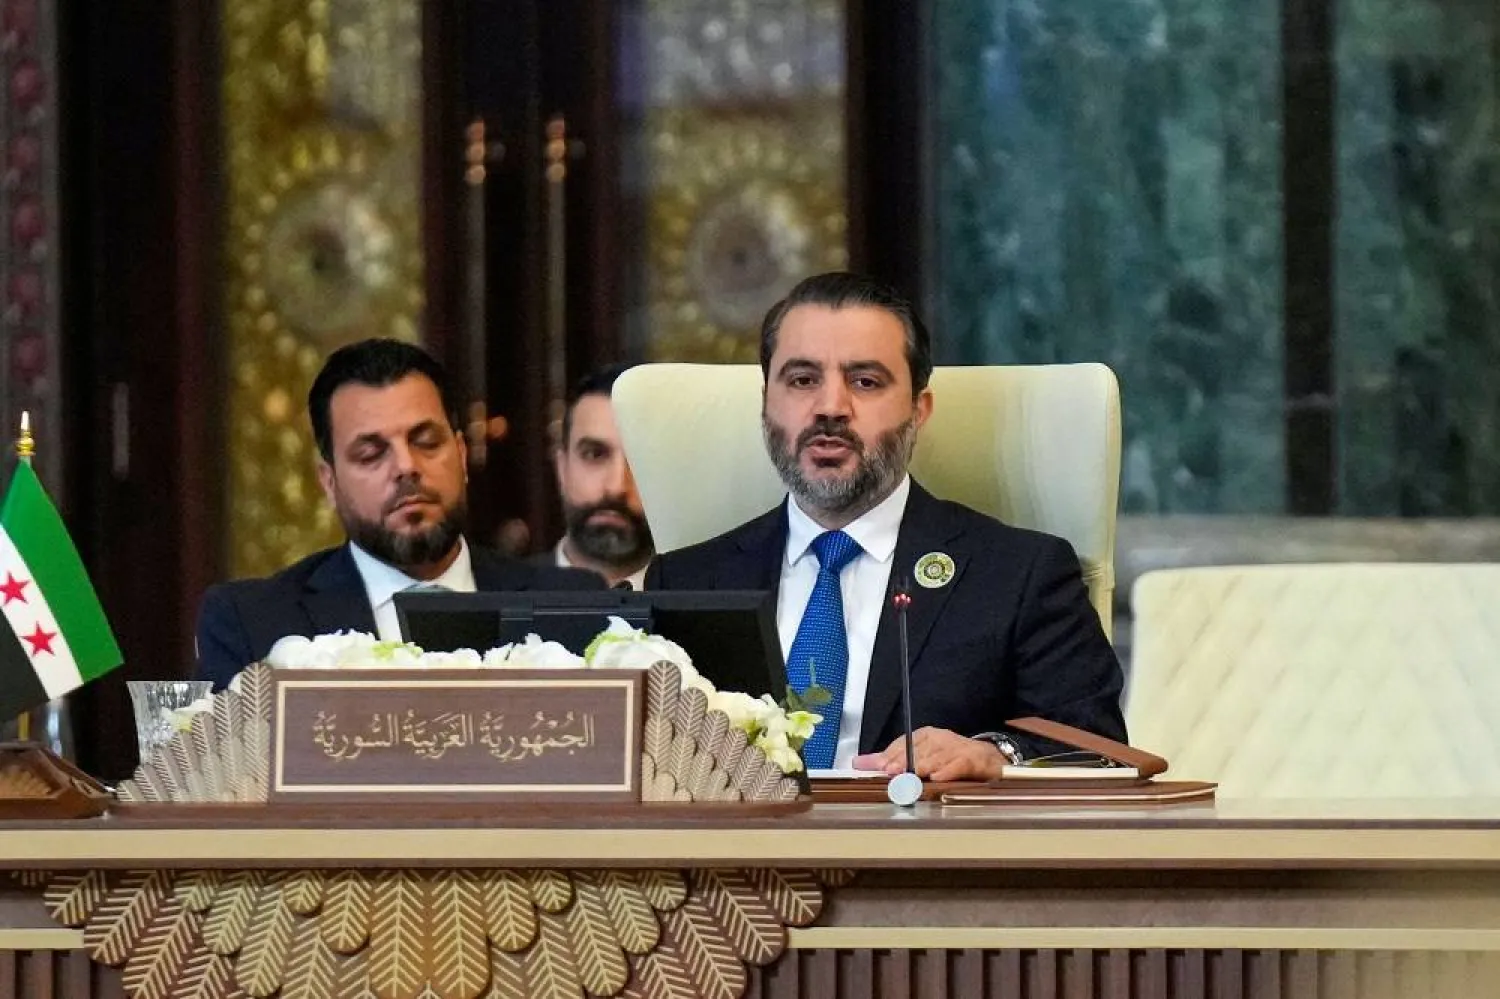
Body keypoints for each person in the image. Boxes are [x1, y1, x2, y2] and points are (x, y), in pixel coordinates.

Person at [645, 272, 1126, 780]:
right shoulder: (684, 581)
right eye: (802, 380)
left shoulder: (1019, 574)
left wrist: (995, 755)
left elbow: (1098, 748)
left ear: (919, 410)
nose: (830, 407)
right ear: (767, 403)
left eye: (865, 381)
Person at [195, 338, 602, 690]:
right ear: (329, 482)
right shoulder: (254, 624)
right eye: (371, 454)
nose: (406, 466)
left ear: (460, 455)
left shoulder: (572, 605)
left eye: (426, 442)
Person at [543, 364, 654, 590]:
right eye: (595, 454)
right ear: (562, 468)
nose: (616, 487)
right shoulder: (498, 599)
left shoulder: (707, 607)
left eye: (640, 460)